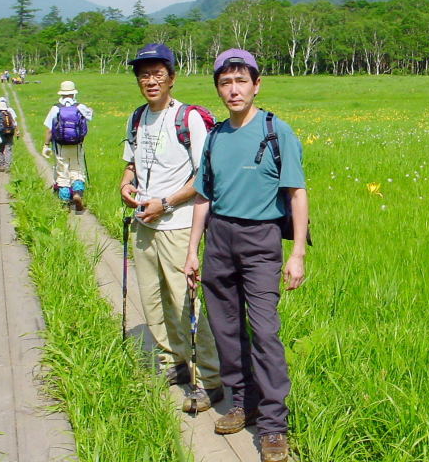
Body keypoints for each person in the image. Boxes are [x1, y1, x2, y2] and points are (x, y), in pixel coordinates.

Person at [184, 49, 309, 462]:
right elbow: (204, 195)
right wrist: (192, 251)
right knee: (226, 328)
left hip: (261, 240)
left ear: (257, 84)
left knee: (266, 332)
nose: (233, 90)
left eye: (241, 81)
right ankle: (242, 402)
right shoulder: (216, 136)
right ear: (218, 88)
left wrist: (297, 256)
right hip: (219, 238)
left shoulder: (277, 132)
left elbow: (296, 193)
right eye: (225, 82)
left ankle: (274, 426)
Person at [119, 43, 222, 410]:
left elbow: (204, 178)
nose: (150, 81)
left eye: (157, 74)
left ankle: (209, 378)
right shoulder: (136, 117)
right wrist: (125, 184)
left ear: (172, 78)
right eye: (143, 75)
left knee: (185, 302)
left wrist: (166, 202)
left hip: (177, 224)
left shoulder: (188, 119)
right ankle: (172, 361)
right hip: (143, 223)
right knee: (152, 300)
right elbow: (131, 162)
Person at [42, 81, 93, 211]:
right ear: (74, 93)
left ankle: (64, 203)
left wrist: (46, 145)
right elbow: (88, 120)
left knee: (62, 172)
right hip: (76, 145)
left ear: (62, 93)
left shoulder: (56, 108)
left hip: (60, 146)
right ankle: (77, 193)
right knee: (77, 170)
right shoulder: (80, 107)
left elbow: (49, 129)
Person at [0, 96, 19, 172]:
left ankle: (1, 166)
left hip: (0, 133)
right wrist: (17, 131)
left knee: (0, 149)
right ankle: (7, 166)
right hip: (10, 133)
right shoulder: (10, 111)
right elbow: (14, 122)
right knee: (8, 149)